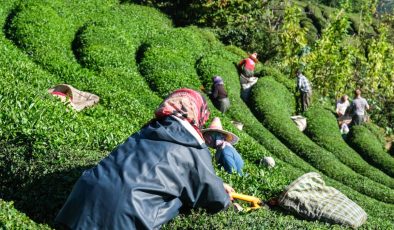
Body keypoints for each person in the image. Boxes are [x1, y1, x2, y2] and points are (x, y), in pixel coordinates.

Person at [55, 88, 235, 229]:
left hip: (77, 205)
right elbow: (215, 198)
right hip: (121, 218)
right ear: (197, 114)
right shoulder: (194, 147)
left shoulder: (149, 129)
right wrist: (225, 196)